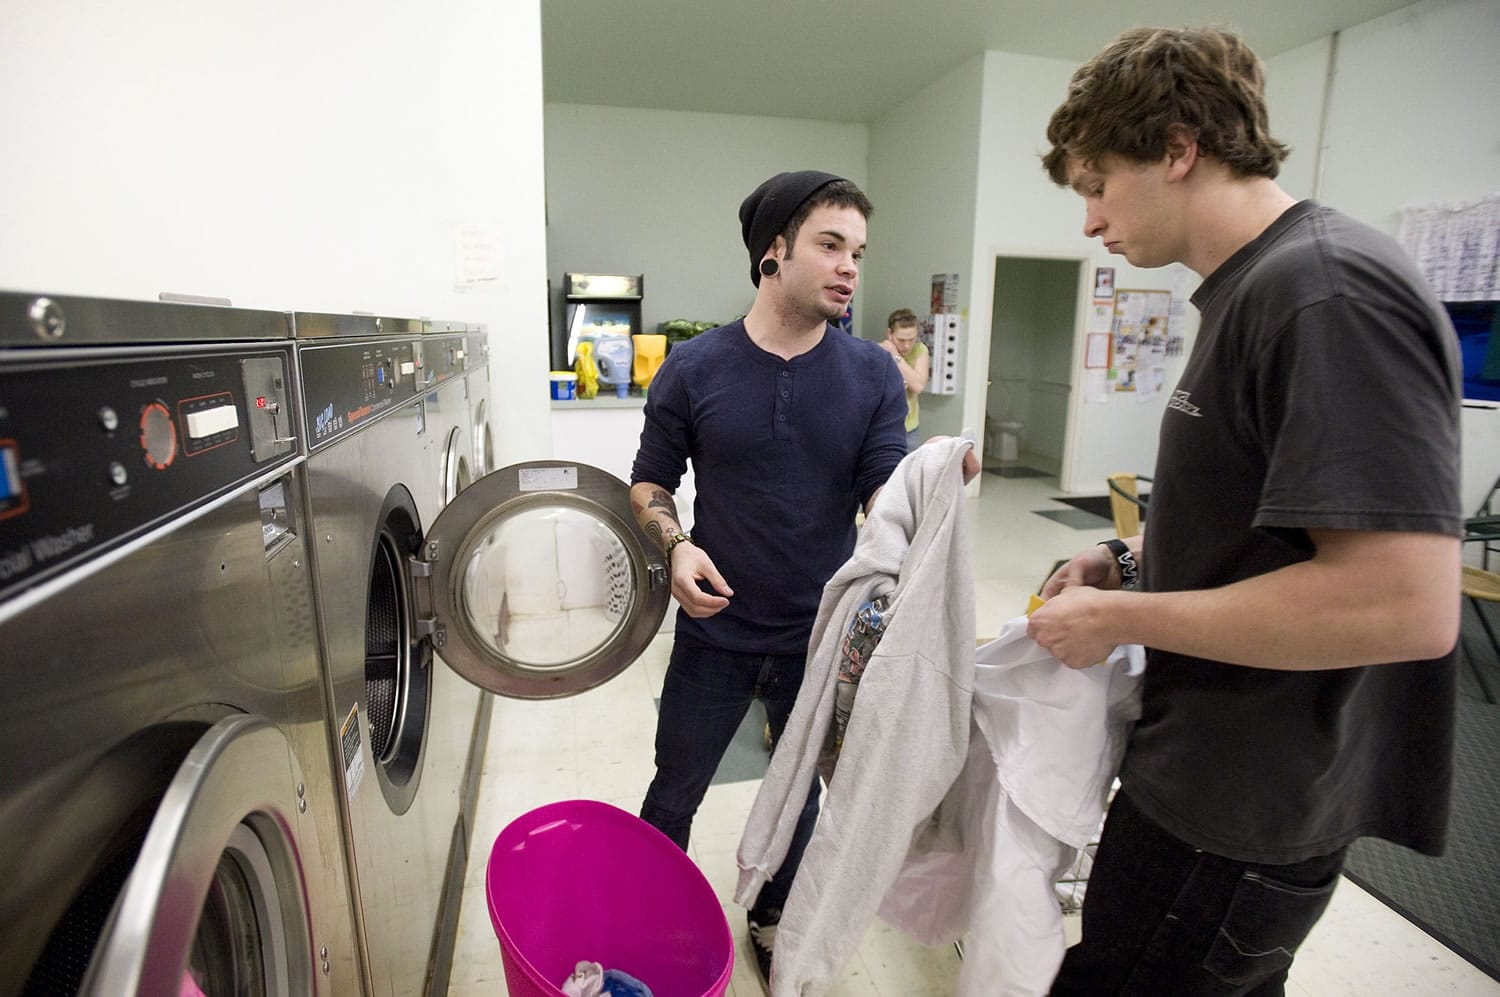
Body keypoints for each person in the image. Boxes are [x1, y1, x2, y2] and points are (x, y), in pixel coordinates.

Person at [1028, 26, 1462, 996]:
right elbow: (1262, 527)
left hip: (1239, 809)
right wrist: (1127, 559)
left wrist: (1119, 620)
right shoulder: (1250, 292)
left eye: (1097, 183)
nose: (1091, 221)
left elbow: (1402, 602)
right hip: (1200, 772)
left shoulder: (1325, 292)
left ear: (1179, 148)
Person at [627, 170, 909, 993]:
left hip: (817, 635)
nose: (850, 266)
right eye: (830, 244)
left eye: (858, 250)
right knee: (674, 785)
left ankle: (775, 914)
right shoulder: (694, 368)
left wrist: (922, 495)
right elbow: (648, 484)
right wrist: (675, 546)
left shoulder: (873, 374)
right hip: (715, 630)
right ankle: (648, 911)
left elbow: (880, 483)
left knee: (799, 792)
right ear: (773, 251)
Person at [877, 307, 930, 451]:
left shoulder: (920, 350)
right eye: (901, 340)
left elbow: (918, 386)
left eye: (911, 339)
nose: (907, 345)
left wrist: (896, 355)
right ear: (890, 334)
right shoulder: (878, 353)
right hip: (884, 429)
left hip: (910, 429)